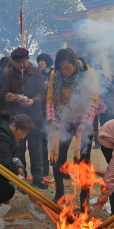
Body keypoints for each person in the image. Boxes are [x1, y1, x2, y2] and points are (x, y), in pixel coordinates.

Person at [46, 47, 99, 206]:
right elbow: (51, 99)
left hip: (84, 120)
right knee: (57, 157)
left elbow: (93, 100)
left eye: (67, 68)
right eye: (61, 68)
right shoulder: (55, 75)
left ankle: (84, 199)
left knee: (83, 160)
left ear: (75, 64)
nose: (64, 71)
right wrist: (52, 119)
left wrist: (84, 123)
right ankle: (59, 193)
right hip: (64, 119)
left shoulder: (88, 74)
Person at [1, 47, 48, 189]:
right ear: (13, 62)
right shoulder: (8, 74)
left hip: (35, 118)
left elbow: (42, 93)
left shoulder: (37, 73)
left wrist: (33, 101)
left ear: (28, 59)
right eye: (17, 63)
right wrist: (17, 98)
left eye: (23, 62)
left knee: (36, 148)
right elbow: (3, 94)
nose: (21, 65)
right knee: (18, 149)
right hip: (17, 119)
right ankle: (21, 179)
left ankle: (38, 178)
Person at [36, 52, 54, 182]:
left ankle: (58, 166)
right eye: (38, 61)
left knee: (57, 139)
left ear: (47, 61)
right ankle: (45, 167)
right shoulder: (38, 75)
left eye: (41, 61)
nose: (39, 63)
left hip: (54, 111)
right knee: (43, 140)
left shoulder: (55, 74)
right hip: (41, 112)